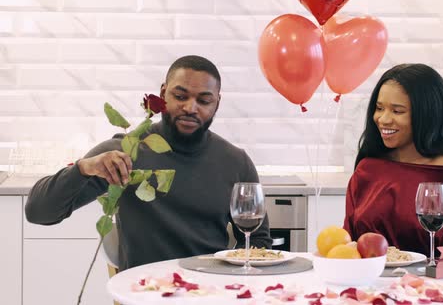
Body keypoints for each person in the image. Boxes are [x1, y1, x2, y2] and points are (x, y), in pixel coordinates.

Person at [25, 55, 272, 270]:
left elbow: (257, 241)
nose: (190, 107)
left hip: (210, 293)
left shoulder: (236, 162)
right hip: (144, 293)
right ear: (163, 93)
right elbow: (38, 212)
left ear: (217, 103)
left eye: (204, 101)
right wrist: (83, 168)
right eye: (180, 95)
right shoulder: (124, 152)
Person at [343, 63, 443, 255]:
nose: (383, 119)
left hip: (433, 283)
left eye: (397, 111)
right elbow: (349, 246)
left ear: (428, 115)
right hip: (370, 282)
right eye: (379, 108)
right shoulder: (368, 169)